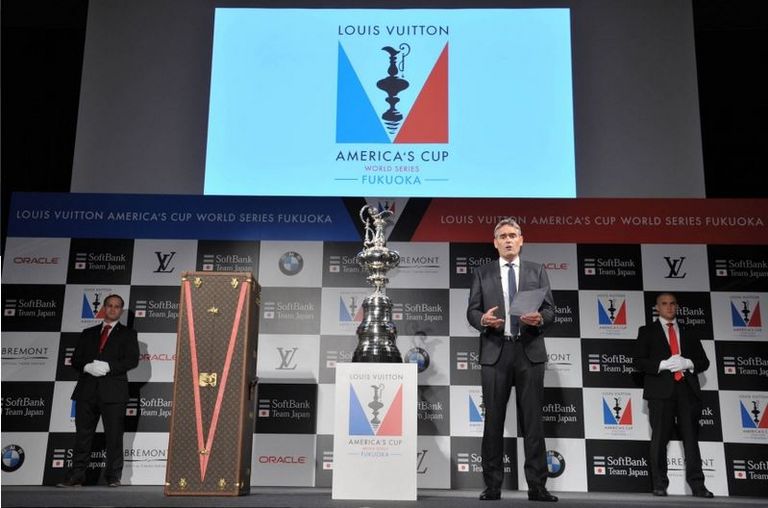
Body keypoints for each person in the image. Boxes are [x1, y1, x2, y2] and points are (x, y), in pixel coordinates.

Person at [466, 218, 557, 502]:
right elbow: (472, 310)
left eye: (512, 235)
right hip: (496, 351)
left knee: (533, 422)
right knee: (493, 420)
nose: (508, 240)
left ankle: (537, 487)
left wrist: (540, 318)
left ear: (521, 240)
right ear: (495, 242)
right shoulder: (482, 273)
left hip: (529, 351)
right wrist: (483, 320)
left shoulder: (536, 270)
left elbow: (551, 310)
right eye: (503, 236)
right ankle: (492, 486)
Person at [632, 292, 714, 498]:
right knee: (659, 439)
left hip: (687, 391)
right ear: (657, 308)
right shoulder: (646, 331)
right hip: (660, 392)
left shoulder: (688, 331)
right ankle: (659, 485)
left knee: (691, 440)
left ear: (677, 306)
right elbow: (638, 362)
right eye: (664, 304)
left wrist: (688, 363)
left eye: (672, 303)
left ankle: (698, 486)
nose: (669, 307)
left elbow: (704, 362)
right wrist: (662, 365)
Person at [57, 294, 139, 488]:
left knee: (114, 436)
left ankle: (113, 476)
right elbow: (76, 359)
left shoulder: (128, 334)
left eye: (117, 306)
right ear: (104, 307)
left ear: (121, 310)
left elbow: (132, 361)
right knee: (82, 436)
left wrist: (110, 367)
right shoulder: (88, 333)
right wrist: (87, 366)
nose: (113, 309)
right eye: (109, 305)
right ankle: (76, 476)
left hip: (114, 393)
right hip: (87, 391)